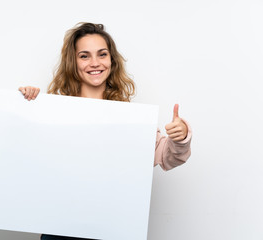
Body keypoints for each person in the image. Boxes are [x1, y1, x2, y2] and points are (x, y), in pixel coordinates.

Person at [18, 22, 192, 240]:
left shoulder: (131, 119)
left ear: (111, 61)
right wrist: (25, 103)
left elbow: (168, 157)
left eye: (102, 54)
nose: (94, 63)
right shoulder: (54, 114)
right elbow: (23, 156)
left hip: (113, 230)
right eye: (84, 56)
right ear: (73, 62)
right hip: (61, 231)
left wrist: (181, 136)